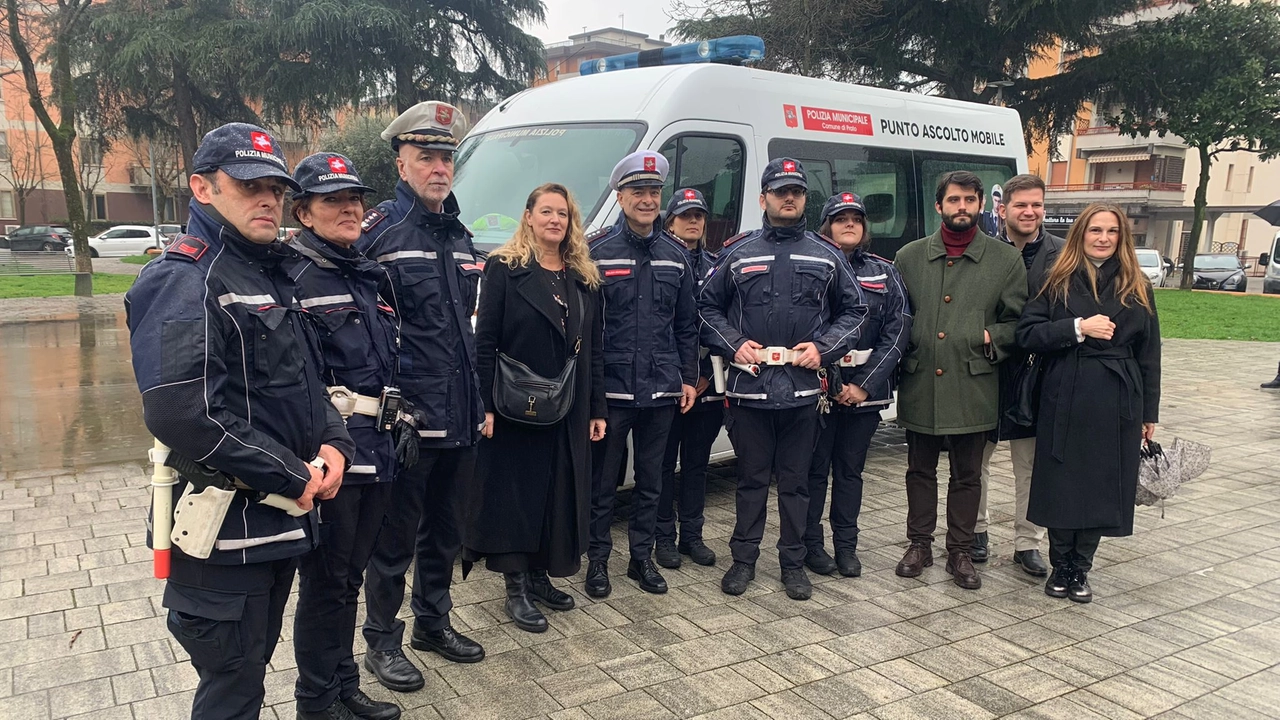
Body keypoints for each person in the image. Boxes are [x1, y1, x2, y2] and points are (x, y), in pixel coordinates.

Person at [125, 123, 354, 720]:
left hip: (276, 522)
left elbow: (306, 383)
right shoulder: (184, 278)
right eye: (249, 185)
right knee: (231, 688)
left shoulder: (267, 272)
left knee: (247, 674)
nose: (268, 200)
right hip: (225, 537)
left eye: (276, 188)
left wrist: (334, 443)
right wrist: (291, 472)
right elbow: (184, 411)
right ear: (201, 188)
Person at [698, 158, 867, 601]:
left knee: (795, 484)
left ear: (804, 199)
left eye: (795, 191)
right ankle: (743, 561)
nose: (788, 197)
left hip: (803, 392)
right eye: (779, 191)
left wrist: (825, 347)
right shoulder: (737, 252)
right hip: (749, 390)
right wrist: (732, 342)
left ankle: (793, 564)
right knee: (751, 481)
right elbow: (705, 308)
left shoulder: (826, 253)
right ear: (763, 199)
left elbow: (855, 310)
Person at [359, 101, 485, 689]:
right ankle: (380, 643)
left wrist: (479, 405)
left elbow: (468, 331)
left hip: (460, 416)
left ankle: (433, 622)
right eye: (426, 157)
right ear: (401, 163)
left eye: (446, 157)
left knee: (447, 532)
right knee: (394, 541)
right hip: (408, 422)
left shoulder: (459, 236)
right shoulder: (379, 232)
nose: (438, 167)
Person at [284, 153, 402, 720]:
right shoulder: (295, 277)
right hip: (334, 458)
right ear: (304, 212)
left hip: (378, 449)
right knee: (328, 583)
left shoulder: (366, 272)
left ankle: (343, 683)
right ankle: (316, 702)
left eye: (354, 198)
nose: (349, 208)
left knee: (350, 578)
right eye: (332, 200)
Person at [462, 183, 607, 633]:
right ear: (528, 216)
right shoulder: (505, 268)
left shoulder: (583, 276)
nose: (554, 221)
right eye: (545, 212)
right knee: (517, 495)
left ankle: (542, 574)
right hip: (515, 404)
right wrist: (482, 405)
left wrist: (597, 408)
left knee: (558, 491)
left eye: (562, 213)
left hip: (569, 403)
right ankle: (517, 586)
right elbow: (485, 341)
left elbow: (594, 350)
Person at [1017, 203, 1160, 603]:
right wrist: (1077, 327)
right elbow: (1027, 334)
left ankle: (1081, 568)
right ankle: (1059, 563)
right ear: (1081, 235)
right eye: (1095, 230)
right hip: (1065, 390)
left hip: (1117, 397)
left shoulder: (1138, 285)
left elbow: (1150, 353)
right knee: (1062, 482)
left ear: (1122, 238)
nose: (1103, 238)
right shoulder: (1055, 279)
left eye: (1111, 231)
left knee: (1100, 483)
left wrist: (1150, 413)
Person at [893, 170, 1027, 591]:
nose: (962, 208)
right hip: (922, 384)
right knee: (920, 470)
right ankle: (919, 544)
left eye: (970, 200)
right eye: (954, 200)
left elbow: (1018, 321)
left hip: (974, 384)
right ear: (940, 206)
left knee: (969, 475)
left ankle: (961, 551)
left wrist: (987, 337)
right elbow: (897, 317)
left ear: (982, 205)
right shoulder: (909, 257)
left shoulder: (1005, 259)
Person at [585, 151, 699, 598]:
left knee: (653, 481)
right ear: (620, 196)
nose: (648, 199)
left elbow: (687, 324)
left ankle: (641, 559)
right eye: (638, 192)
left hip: (662, 389)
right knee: (603, 484)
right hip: (611, 391)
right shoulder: (595, 252)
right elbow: (587, 329)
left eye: (654, 191)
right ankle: (597, 562)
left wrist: (687, 378)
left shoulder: (676, 255)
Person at [803, 193, 911, 578]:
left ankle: (846, 547)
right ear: (826, 225)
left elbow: (898, 332)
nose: (849, 223)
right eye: (840, 218)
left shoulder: (884, 271)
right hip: (820, 393)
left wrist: (863, 386)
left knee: (849, 472)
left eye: (856, 218)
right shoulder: (811, 266)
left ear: (865, 228)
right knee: (813, 472)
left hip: (864, 395)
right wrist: (832, 383)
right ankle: (811, 546)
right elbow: (808, 327)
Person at [972, 174, 1065, 576]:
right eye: (1021, 205)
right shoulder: (984, 252)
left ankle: (1028, 543)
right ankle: (975, 530)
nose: (1029, 212)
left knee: (1030, 465)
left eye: (1037, 205)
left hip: (1040, 373)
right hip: (989, 369)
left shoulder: (1064, 254)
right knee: (976, 459)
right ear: (1002, 209)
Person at [655, 188, 722, 570]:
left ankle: (691, 537)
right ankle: (663, 537)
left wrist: (704, 379)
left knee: (697, 464)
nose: (693, 221)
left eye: (699, 215)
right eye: (685, 215)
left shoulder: (717, 264)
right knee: (663, 464)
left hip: (706, 386)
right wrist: (683, 376)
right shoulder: (662, 260)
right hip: (670, 385)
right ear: (670, 221)